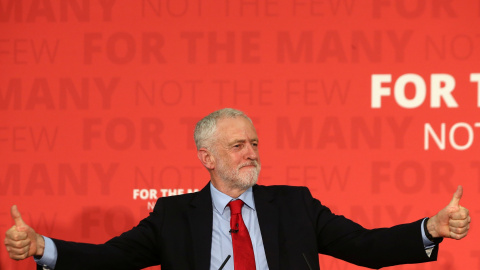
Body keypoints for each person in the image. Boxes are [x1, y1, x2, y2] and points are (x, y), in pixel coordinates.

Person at [4, 108, 471, 270]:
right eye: (237, 145)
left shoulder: (294, 204)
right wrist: (43, 246)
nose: (250, 152)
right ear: (207, 158)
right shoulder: (174, 215)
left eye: (254, 143)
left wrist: (430, 227)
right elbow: (112, 259)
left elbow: (365, 246)